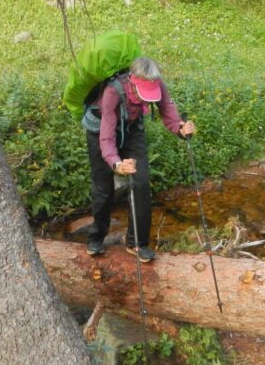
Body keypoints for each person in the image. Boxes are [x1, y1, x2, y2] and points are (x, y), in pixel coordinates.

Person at [83, 57, 195, 262]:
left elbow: (168, 112)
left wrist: (181, 128)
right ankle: (96, 237)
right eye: (143, 93)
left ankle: (137, 243)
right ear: (133, 82)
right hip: (100, 129)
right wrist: (117, 163)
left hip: (132, 127)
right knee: (103, 186)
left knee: (141, 181)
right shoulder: (112, 92)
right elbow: (107, 137)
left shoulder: (157, 83)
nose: (146, 99)